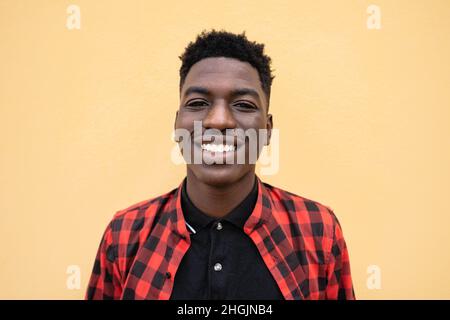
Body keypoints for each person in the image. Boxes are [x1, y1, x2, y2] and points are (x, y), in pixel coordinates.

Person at [86, 30, 355, 300]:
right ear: (178, 124)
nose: (219, 121)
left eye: (243, 104)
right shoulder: (124, 235)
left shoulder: (319, 231)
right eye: (199, 103)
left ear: (268, 129)